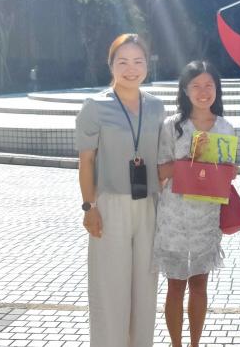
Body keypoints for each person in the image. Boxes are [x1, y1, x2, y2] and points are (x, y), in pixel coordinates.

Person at [75, 34, 165, 347]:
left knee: (145, 289)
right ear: (111, 65)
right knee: (110, 290)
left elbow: (163, 159)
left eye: (138, 61)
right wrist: (89, 207)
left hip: (149, 206)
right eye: (122, 61)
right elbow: (86, 162)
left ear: (147, 65)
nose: (131, 68)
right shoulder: (95, 107)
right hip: (110, 206)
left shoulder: (156, 107)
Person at [152, 60, 236, 347]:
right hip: (174, 217)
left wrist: (223, 169)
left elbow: (230, 172)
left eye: (209, 85)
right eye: (196, 86)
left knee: (199, 285)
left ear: (217, 89)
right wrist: (188, 159)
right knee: (175, 285)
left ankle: (194, 344)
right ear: (185, 91)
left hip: (206, 217)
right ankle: (177, 344)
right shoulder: (172, 126)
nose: (203, 92)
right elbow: (159, 171)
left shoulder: (226, 128)